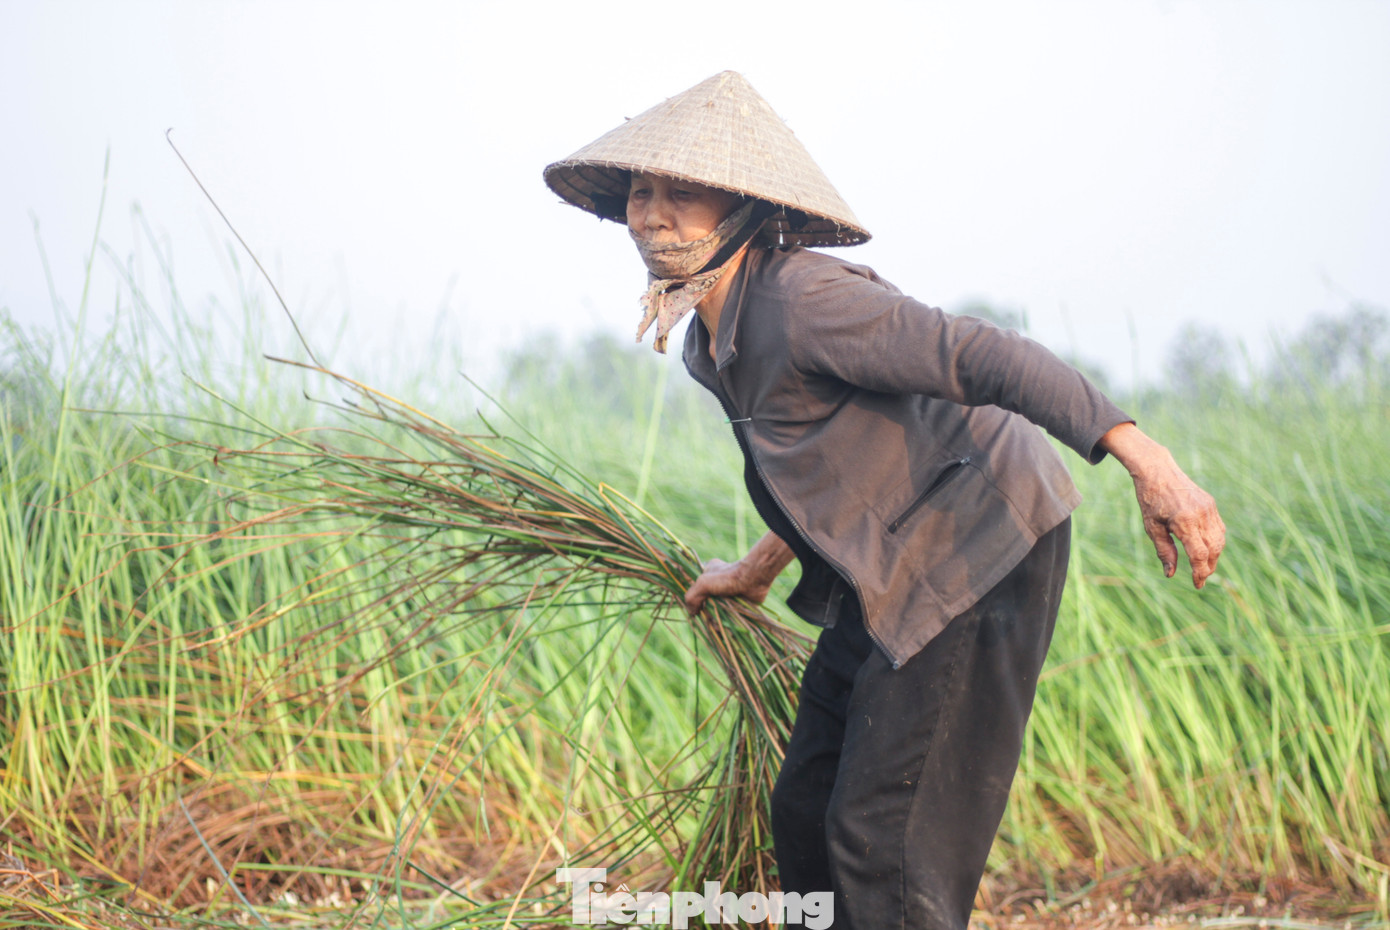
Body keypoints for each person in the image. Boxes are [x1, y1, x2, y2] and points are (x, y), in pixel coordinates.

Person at [544, 71, 1225, 930]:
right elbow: (824, 466)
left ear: (745, 214)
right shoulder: (710, 348)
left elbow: (987, 357)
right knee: (803, 811)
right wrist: (757, 569)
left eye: (683, 193)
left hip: (978, 545)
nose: (653, 212)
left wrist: (1146, 459)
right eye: (642, 192)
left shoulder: (805, 300)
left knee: (881, 841)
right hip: (887, 569)